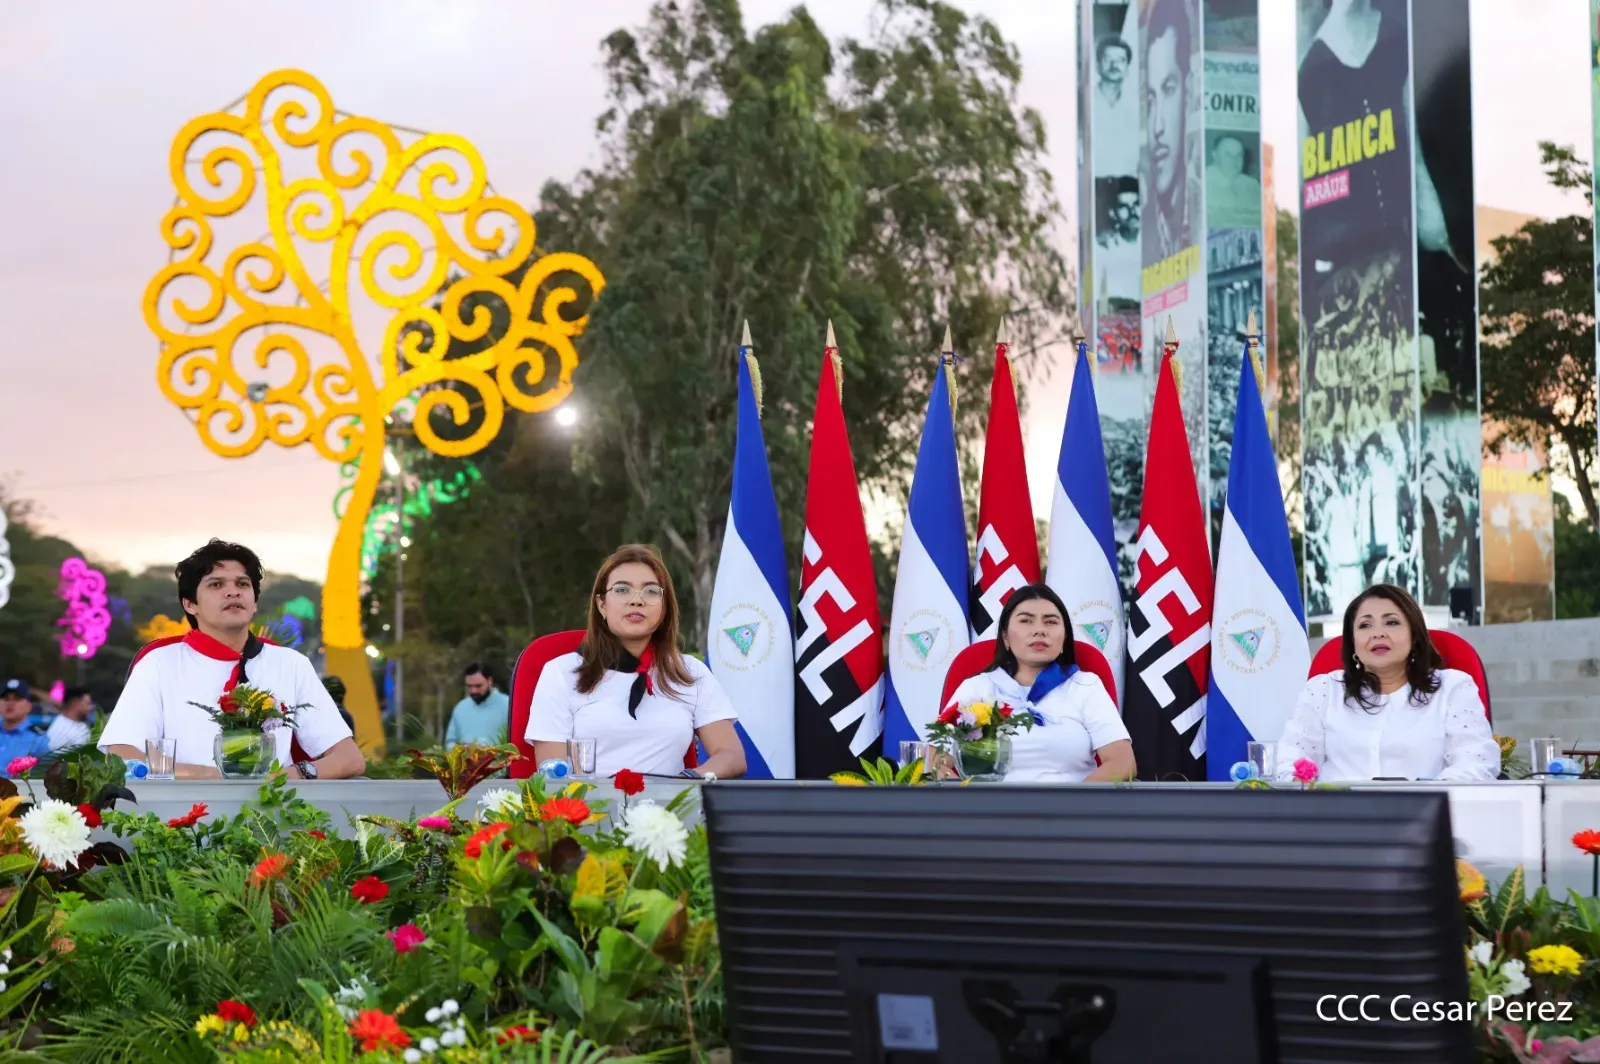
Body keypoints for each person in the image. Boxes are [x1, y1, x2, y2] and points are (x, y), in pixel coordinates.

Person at [100, 539, 365, 780]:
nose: (233, 592)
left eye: (242, 584)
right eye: (216, 585)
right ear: (190, 604)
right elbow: (122, 755)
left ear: (255, 602)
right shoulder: (159, 663)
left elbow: (349, 759)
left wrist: (291, 775)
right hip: (182, 811)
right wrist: (212, 777)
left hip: (273, 808)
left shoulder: (291, 664)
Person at [526, 544, 746, 780]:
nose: (637, 601)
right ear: (602, 605)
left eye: (650, 591)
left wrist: (687, 780)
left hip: (672, 801)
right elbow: (552, 775)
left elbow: (731, 756)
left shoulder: (690, 672)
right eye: (622, 590)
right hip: (588, 801)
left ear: (664, 607)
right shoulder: (561, 673)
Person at [1274, 583, 1499, 782]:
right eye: (1365, 625)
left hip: (1424, 812)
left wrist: (1425, 798)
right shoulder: (1323, 690)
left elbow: (1476, 762)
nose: (1378, 634)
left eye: (1391, 622)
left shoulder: (1452, 688)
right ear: (1353, 642)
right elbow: (1290, 761)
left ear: (1414, 635)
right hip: (1334, 813)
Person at [940, 585, 1135, 783]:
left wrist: (1069, 800)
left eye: (1050, 622)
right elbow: (935, 764)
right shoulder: (976, 688)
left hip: (1073, 801)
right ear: (1005, 636)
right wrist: (969, 798)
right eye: (1026, 620)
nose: (1039, 630)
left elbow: (1122, 763)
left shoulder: (1085, 686)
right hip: (989, 803)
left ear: (1064, 637)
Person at [1143, 0, 1200, 264]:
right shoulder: (1141, 240)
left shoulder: (1203, 212)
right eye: (1151, 100)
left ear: (1187, 94)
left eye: (1168, 90)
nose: (1157, 127)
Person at [445, 663, 510, 747]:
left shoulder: (508, 705)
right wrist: (463, 750)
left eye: (478, 686)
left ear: (490, 681)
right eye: (469, 686)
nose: (473, 691)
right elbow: (450, 742)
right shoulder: (461, 708)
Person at [0, 680, 48, 774]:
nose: (10, 703)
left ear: (28, 706)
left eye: (17, 698)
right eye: (6, 698)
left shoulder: (39, 740)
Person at [47, 686, 94, 753]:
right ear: (75, 703)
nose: (90, 708)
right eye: (88, 704)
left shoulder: (83, 724)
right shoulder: (59, 729)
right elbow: (53, 757)